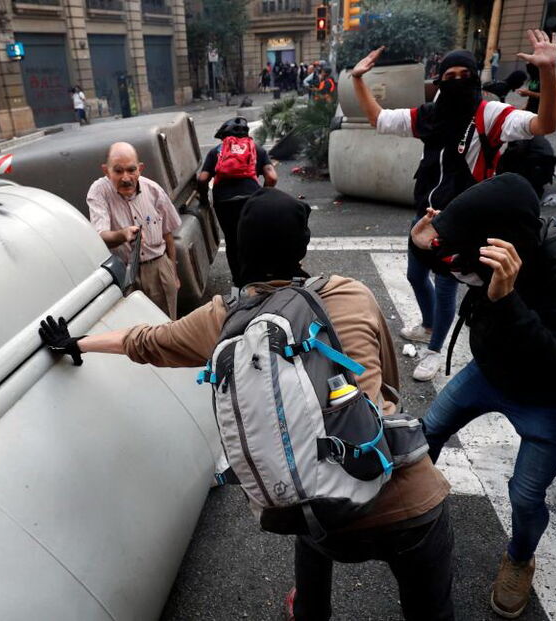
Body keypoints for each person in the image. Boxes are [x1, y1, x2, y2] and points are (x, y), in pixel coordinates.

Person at [39, 188, 454, 621]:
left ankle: (310, 610)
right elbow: (388, 387)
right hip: (408, 500)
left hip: (327, 517)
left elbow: (144, 342)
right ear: (302, 245)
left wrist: (77, 342)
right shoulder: (351, 294)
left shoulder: (224, 319)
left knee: (311, 501)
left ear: (240, 247)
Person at [410, 173, 556, 619]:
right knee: (426, 433)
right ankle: (408, 516)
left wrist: (508, 300)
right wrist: (425, 245)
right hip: (491, 370)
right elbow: (456, 264)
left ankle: (520, 556)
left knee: (524, 495)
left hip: (550, 399)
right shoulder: (491, 254)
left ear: (501, 243)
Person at [350, 30, 556, 382]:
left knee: (446, 285)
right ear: (439, 82)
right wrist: (357, 79)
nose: (458, 82)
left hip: (463, 222)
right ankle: (429, 325)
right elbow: (379, 119)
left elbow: (545, 124)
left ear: (476, 79)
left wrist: (549, 72)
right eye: (450, 78)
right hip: (425, 216)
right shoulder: (430, 116)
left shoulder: (490, 114)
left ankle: (434, 350)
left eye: (466, 76)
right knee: (416, 275)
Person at [87, 142, 182, 319]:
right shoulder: (99, 192)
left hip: (159, 269)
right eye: (118, 171)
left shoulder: (154, 190)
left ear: (140, 169)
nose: (126, 177)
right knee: (134, 333)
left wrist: (173, 274)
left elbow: (168, 235)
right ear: (106, 171)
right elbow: (99, 235)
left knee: (167, 329)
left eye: (131, 170)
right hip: (124, 272)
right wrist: (122, 235)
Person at [198, 117, 277, 288]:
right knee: (255, 237)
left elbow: (202, 179)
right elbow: (271, 177)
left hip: (225, 203)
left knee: (232, 241)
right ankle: (260, 280)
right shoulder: (257, 150)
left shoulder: (215, 152)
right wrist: (264, 195)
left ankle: (239, 283)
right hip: (252, 201)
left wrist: (204, 200)